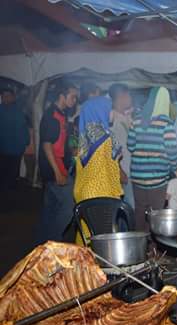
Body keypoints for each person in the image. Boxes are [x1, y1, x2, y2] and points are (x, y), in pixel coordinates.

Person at [73, 96, 123, 242]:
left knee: (85, 235)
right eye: (109, 108)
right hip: (101, 192)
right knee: (102, 240)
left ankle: (82, 264)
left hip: (83, 192)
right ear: (100, 110)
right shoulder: (106, 136)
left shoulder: (84, 136)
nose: (112, 112)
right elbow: (116, 158)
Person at [128, 87, 177, 231]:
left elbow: (130, 146)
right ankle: (154, 249)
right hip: (157, 178)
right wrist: (175, 168)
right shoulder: (166, 123)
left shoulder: (136, 120)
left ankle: (140, 246)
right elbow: (171, 151)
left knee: (139, 211)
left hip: (137, 177)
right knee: (156, 214)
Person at [35, 82, 79, 244]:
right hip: (55, 171)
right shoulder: (53, 116)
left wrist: (70, 151)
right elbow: (47, 145)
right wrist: (58, 172)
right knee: (69, 207)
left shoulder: (60, 114)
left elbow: (57, 143)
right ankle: (54, 241)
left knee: (50, 209)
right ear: (62, 96)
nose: (74, 100)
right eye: (72, 96)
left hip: (53, 170)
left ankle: (43, 243)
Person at [109, 83, 135, 208]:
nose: (131, 98)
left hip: (129, 171)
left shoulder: (125, 117)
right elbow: (110, 149)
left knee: (128, 209)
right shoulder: (111, 118)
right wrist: (119, 171)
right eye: (129, 95)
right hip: (122, 172)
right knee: (127, 208)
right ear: (122, 96)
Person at [0, 88, 29, 192]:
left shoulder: (18, 111)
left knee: (11, 174)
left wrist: (26, 142)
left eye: (8, 96)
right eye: (3, 96)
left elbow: (23, 129)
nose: (5, 98)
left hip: (15, 150)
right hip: (3, 149)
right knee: (4, 173)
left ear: (13, 97)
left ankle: (9, 195)